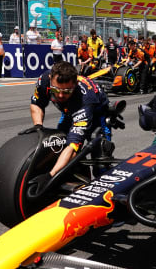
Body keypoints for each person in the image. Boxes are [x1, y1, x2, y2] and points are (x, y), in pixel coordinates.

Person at [25, 61, 114, 191]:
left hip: (97, 116)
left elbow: (73, 147)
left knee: (100, 162)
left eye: (66, 91)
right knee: (58, 144)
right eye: (56, 90)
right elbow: (37, 103)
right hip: (69, 112)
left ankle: (106, 194)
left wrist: (50, 175)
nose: (60, 95)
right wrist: (38, 127)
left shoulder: (85, 99)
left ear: (75, 84)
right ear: (50, 79)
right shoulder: (44, 80)